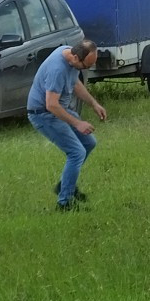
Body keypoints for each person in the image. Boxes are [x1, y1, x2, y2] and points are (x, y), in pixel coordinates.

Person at [26, 40, 108, 211]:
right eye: (86, 66)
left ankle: (65, 185)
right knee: (76, 152)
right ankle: (64, 203)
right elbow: (51, 105)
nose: (86, 70)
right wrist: (77, 123)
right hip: (44, 114)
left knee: (88, 143)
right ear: (76, 57)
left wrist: (94, 104)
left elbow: (75, 83)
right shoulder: (57, 69)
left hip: (58, 109)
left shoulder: (69, 54)